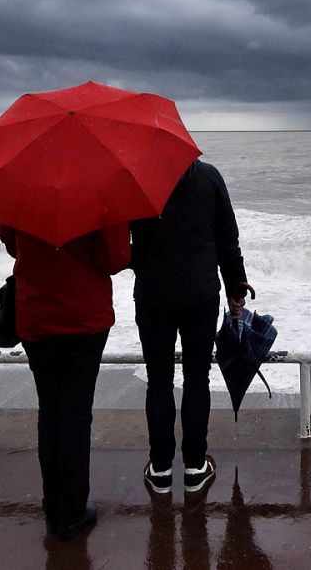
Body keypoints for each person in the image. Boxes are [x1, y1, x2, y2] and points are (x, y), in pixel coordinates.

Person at [130, 159, 254, 495]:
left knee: (159, 381)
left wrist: (141, 261)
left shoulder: (137, 180)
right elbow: (228, 239)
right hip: (200, 295)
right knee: (197, 378)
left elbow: (124, 247)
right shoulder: (209, 176)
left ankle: (160, 469)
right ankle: (196, 466)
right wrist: (235, 291)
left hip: (152, 296)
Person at [0, 222, 129, 541]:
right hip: (84, 318)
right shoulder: (102, 191)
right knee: (75, 413)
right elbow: (115, 259)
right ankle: (72, 512)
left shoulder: (22, 185)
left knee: (50, 412)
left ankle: (54, 506)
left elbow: (11, 242)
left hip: (35, 314)